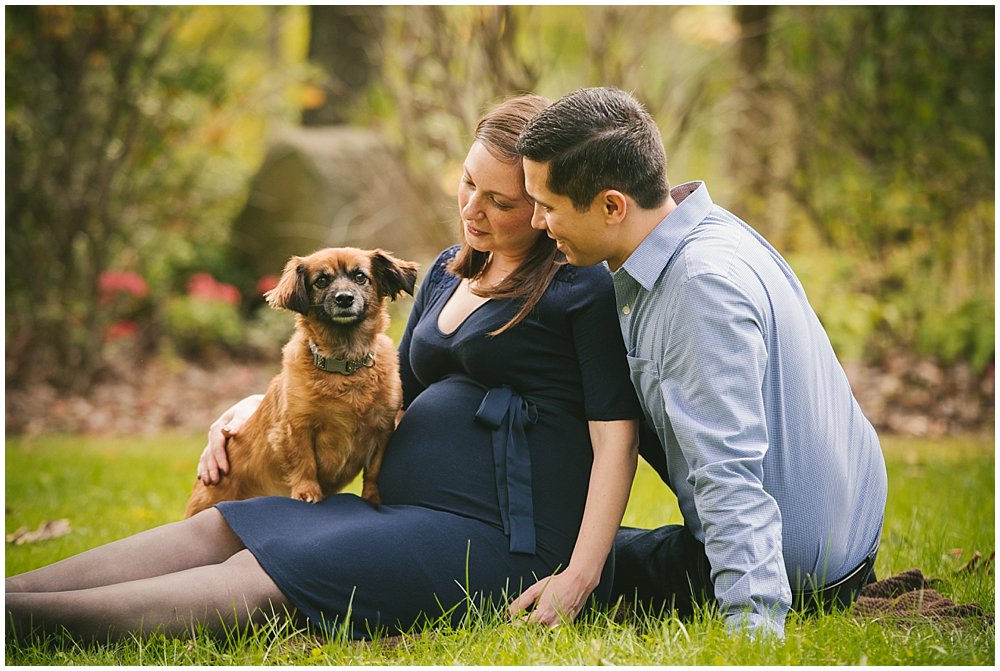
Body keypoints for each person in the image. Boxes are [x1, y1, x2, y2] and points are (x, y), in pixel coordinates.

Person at [6, 94, 642, 643]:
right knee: (224, 529)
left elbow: (615, 436)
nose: (473, 208)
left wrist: (580, 574)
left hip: (500, 535)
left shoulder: (575, 287)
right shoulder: (453, 269)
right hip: (394, 505)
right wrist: (262, 407)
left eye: (500, 201)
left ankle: (18, 627)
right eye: (468, 181)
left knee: (262, 577)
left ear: (542, 201)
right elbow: (385, 393)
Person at [516, 86, 887, 639]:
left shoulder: (699, 289)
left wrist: (751, 629)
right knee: (566, 545)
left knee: (529, 555)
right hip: (843, 532)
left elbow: (728, 472)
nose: (538, 223)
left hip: (796, 570)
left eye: (548, 206)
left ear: (613, 205)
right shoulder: (702, 230)